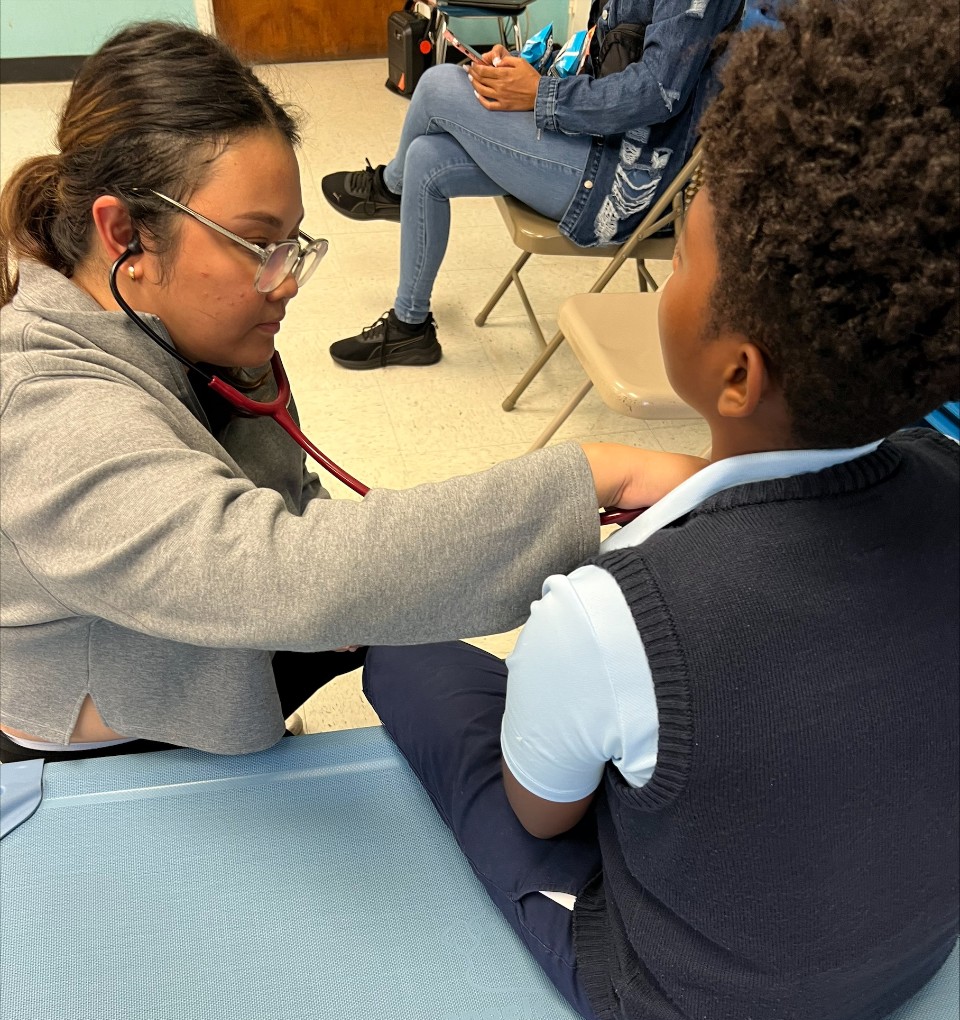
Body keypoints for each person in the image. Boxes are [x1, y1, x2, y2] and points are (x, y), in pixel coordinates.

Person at [363, 0, 960, 1020]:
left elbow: (545, 811)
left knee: (410, 664)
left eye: (680, 248)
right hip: (914, 951)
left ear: (734, 372)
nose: (669, 271)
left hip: (703, 1016)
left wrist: (605, 629)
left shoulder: (613, 610)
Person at [0, 21, 705, 765]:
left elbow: (288, 510)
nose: (288, 279)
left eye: (292, 244)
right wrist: (593, 476)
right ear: (125, 237)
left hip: (221, 666)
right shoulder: (42, 412)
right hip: (114, 763)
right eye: (256, 245)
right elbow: (269, 569)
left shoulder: (190, 332)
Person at [321, 0, 744, 369]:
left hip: (624, 184)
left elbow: (654, 93)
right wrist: (525, 69)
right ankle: (409, 327)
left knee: (435, 86)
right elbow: (601, 57)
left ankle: (389, 191)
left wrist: (540, 93)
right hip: (595, 144)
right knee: (426, 158)